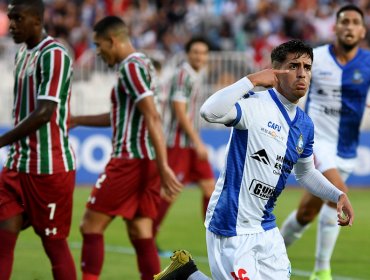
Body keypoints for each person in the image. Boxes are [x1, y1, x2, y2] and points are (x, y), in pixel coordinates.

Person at [154, 39, 355, 280]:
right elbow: (208, 112)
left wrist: (338, 195)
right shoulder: (254, 104)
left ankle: (184, 274)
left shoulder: (305, 124)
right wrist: (251, 80)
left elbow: (305, 172)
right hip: (231, 224)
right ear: (275, 71)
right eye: (293, 66)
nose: (302, 73)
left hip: (265, 227)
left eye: (307, 67)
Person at [70, 16, 182, 280]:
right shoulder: (142, 64)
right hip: (146, 162)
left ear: (113, 40)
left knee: (90, 226)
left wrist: (164, 165)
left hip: (130, 161)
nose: (98, 52)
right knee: (140, 231)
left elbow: (152, 116)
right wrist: (77, 119)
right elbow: (123, 115)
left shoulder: (130, 68)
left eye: (99, 45)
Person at [279, 5, 370, 280]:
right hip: (317, 141)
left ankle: (270, 253)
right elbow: (287, 84)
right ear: (335, 27)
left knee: (307, 212)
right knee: (338, 196)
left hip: (347, 149)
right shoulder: (315, 59)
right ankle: (321, 271)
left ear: (363, 31)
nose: (349, 26)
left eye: (355, 22)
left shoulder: (368, 64)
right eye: (344, 21)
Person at [0, 0, 77, 279]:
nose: (12, 25)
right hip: (16, 165)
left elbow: (44, 112)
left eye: (18, 18)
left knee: (54, 246)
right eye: (10, 18)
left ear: (36, 19)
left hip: (49, 170)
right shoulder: (22, 55)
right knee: (3, 237)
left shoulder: (54, 54)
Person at [153, 37, 215, 243]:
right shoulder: (183, 76)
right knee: (170, 192)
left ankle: (214, 237)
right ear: (188, 54)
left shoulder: (197, 75)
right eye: (196, 52)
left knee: (209, 188)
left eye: (203, 52)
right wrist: (198, 141)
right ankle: (148, 236)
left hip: (190, 143)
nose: (200, 56)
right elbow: (179, 111)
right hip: (179, 143)